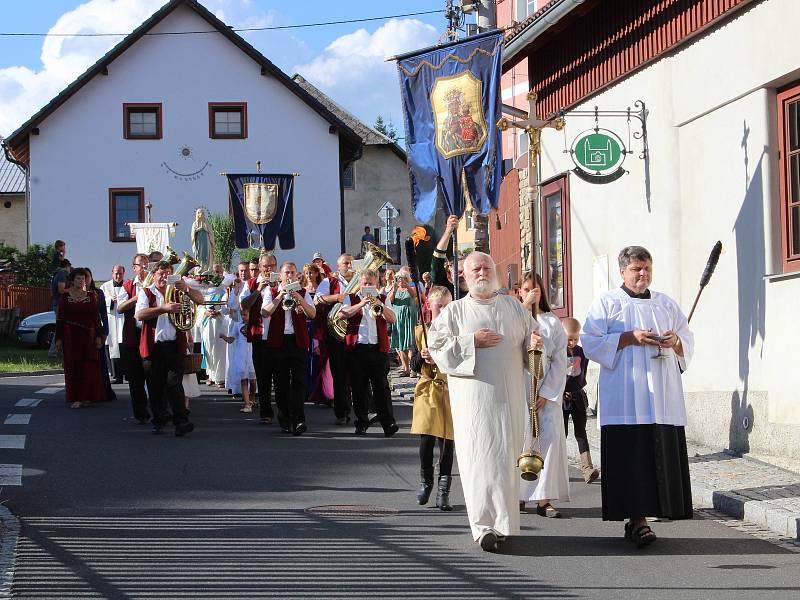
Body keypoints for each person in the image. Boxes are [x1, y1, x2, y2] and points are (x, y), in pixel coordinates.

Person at [581, 245, 694, 548]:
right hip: (625, 397)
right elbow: (589, 342)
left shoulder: (665, 304)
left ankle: (660, 510)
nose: (643, 274)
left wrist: (676, 342)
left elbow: (687, 339)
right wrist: (630, 337)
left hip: (661, 396)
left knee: (658, 451)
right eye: (636, 269)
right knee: (632, 457)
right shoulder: (607, 303)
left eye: (647, 268)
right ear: (622, 272)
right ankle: (636, 520)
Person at [428, 252, 541, 552]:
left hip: (509, 398)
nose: (482, 272)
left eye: (487, 267)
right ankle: (483, 527)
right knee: (479, 461)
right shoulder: (454, 312)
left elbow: (532, 345)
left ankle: (503, 523)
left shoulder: (514, 308)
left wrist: (535, 345)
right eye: (475, 268)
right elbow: (436, 347)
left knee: (504, 460)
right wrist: (471, 342)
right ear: (463, 276)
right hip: (474, 403)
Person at [518, 273, 570, 518]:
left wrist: (548, 393)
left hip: (546, 388)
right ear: (520, 291)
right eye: (526, 288)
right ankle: (517, 494)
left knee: (546, 441)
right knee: (520, 441)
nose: (531, 292)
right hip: (520, 385)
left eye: (535, 288)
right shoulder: (516, 319)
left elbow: (560, 360)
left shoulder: (551, 322)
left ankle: (543, 498)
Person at [135, 261, 204, 436]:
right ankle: (159, 420)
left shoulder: (178, 290)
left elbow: (201, 300)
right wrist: (163, 308)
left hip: (174, 345)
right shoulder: (146, 292)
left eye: (168, 274)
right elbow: (139, 314)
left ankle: (181, 422)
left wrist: (187, 289)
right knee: (155, 386)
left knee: (174, 384)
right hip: (153, 347)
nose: (164, 277)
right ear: (154, 275)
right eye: (161, 274)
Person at [339, 269, 399, 437]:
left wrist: (376, 304)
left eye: (370, 284)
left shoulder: (382, 298)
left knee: (382, 387)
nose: (367, 286)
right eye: (364, 283)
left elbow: (392, 319)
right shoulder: (350, 298)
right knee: (359, 388)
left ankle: (388, 423)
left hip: (378, 349)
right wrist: (361, 303)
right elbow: (342, 314)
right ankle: (362, 422)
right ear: (360, 284)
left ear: (376, 284)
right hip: (357, 349)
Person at [411, 285, 455, 511]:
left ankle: (444, 490)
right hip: (428, 390)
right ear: (430, 306)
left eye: (447, 306)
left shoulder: (456, 332)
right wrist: (421, 355)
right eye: (439, 306)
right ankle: (426, 481)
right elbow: (412, 365)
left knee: (447, 443)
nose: (444, 310)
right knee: (426, 441)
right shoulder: (421, 331)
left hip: (449, 391)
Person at [261, 261, 316, 435]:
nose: (290, 276)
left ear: (297, 274)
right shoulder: (271, 291)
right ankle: (285, 418)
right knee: (281, 383)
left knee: (299, 382)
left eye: (292, 272)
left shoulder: (303, 292)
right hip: (278, 342)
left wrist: (299, 298)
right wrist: (280, 296)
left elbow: (312, 314)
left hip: (298, 341)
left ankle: (299, 420)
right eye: (286, 273)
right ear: (280, 275)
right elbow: (265, 312)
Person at [315, 253, 355, 425]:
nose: (349, 266)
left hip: (356, 331)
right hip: (336, 333)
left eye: (351, 263)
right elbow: (317, 299)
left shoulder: (360, 281)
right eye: (345, 263)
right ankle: (342, 412)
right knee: (339, 374)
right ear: (338, 266)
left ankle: (364, 409)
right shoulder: (328, 282)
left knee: (357, 373)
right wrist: (336, 298)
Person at [55, 268, 103, 408]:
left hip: (88, 336)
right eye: (78, 278)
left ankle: (85, 396)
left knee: (87, 367)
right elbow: (60, 318)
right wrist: (59, 338)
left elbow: (95, 317)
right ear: (72, 280)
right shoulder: (65, 297)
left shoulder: (90, 296)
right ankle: (76, 397)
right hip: (70, 336)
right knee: (73, 367)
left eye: (83, 278)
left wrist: (99, 336)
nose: (81, 281)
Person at [240, 252, 278, 424]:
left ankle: (284, 410)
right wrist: (258, 290)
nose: (268, 269)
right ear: (260, 267)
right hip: (259, 336)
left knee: (280, 376)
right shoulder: (251, 283)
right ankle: (266, 412)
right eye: (265, 266)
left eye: (271, 266)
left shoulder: (282, 281)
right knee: (262, 377)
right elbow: (244, 305)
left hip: (278, 336)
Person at [562, 317, 599, 484]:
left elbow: (598, 349)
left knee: (581, 432)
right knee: (561, 434)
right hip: (562, 399)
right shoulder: (557, 353)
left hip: (578, 397)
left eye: (575, 339)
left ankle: (587, 469)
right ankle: (559, 469)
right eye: (569, 339)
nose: (572, 342)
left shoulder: (583, 352)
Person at [116, 254, 151, 423]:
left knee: (154, 375)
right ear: (134, 267)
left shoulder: (155, 283)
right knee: (136, 379)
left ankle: (159, 410)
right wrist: (139, 296)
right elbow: (120, 308)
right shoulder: (128, 285)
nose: (144, 267)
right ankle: (141, 413)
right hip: (133, 336)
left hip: (151, 335)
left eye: (146, 264)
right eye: (141, 265)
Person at [220, 267, 257, 414]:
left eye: (246, 314)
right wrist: (223, 336)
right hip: (242, 353)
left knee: (253, 379)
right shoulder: (237, 324)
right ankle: (247, 403)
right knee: (244, 378)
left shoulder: (255, 325)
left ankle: (253, 398)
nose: (244, 316)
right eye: (243, 314)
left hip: (252, 352)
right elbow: (231, 339)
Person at [84, 267, 116, 403]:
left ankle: (103, 392)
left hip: (95, 331)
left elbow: (103, 313)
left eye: (87, 277)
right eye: (81, 277)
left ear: (91, 278)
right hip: (80, 333)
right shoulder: (73, 293)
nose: (84, 280)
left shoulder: (98, 293)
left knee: (100, 363)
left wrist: (105, 331)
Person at [199, 263, 228, 388]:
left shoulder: (225, 289)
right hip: (207, 322)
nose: (216, 275)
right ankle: (210, 375)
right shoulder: (206, 290)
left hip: (220, 323)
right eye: (214, 272)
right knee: (209, 348)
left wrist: (219, 312)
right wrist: (205, 312)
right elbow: (199, 306)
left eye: (218, 272)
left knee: (219, 350)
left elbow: (229, 306)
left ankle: (220, 377)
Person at [387, 271, 418, 376]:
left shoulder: (411, 287)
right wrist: (394, 289)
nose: (400, 280)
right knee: (401, 344)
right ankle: (406, 369)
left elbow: (414, 295)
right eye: (398, 278)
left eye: (402, 278)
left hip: (409, 319)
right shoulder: (394, 289)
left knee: (410, 344)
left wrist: (407, 285)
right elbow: (389, 300)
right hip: (398, 320)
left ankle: (413, 368)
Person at [100, 265, 126, 383]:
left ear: (123, 274)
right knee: (112, 347)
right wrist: (111, 300)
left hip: (124, 319)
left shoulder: (127, 285)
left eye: (120, 273)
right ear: (112, 273)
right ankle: (116, 375)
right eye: (116, 273)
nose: (118, 276)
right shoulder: (105, 286)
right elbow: (100, 301)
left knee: (124, 346)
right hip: (111, 319)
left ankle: (128, 374)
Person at [431, 215, 467, 298]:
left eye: (462, 271)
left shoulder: (479, 291)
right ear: (450, 276)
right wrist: (448, 231)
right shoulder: (448, 292)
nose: (461, 276)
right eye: (457, 273)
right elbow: (437, 262)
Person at [48, 258, 71, 358]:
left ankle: (59, 351)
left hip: (57, 303)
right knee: (60, 328)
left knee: (62, 328)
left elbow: (52, 292)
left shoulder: (55, 274)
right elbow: (61, 290)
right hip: (60, 304)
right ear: (67, 266)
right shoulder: (62, 273)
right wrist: (72, 289)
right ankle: (53, 352)